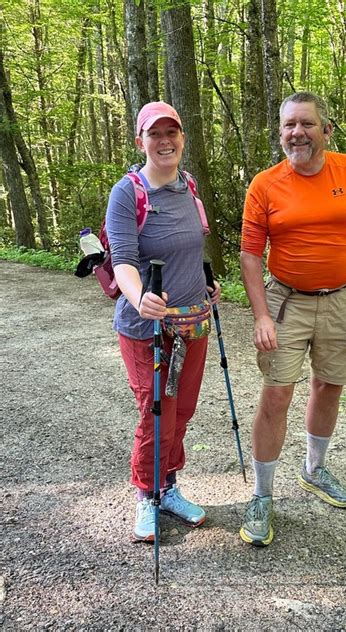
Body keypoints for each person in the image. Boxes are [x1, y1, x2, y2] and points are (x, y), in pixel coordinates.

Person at [239, 92, 346, 546]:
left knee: (329, 384)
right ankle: (262, 494)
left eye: (306, 124)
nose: (296, 133)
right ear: (280, 131)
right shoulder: (265, 185)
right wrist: (261, 315)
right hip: (287, 301)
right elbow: (249, 256)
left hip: (345, 298)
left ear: (326, 130)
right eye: (288, 125)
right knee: (277, 393)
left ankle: (314, 469)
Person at [105, 101, 220, 541]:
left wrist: (206, 287)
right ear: (141, 142)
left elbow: (191, 251)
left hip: (194, 324)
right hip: (147, 329)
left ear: (183, 139)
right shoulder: (128, 193)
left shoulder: (189, 188)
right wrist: (140, 299)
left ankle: (168, 486)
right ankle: (145, 496)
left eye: (172, 132)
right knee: (157, 413)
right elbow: (124, 263)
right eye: (155, 134)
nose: (165, 140)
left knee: (182, 411)